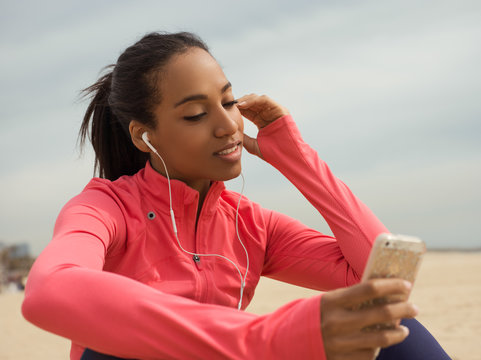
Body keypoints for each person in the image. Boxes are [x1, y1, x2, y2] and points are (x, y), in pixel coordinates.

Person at [21, 32, 450, 360]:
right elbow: (49, 290)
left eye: (228, 102)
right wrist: (267, 336)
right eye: (195, 114)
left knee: (387, 325)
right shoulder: (106, 207)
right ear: (143, 135)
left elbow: (376, 279)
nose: (228, 125)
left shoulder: (251, 224)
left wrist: (296, 158)